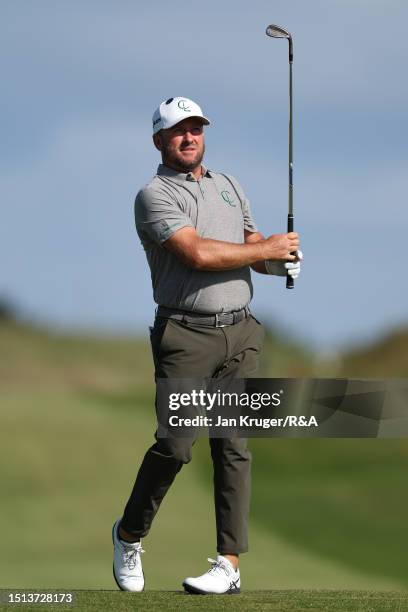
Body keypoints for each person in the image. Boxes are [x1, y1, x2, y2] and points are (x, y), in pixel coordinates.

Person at [112, 96, 302, 595]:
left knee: (234, 447)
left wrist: (278, 261)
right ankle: (129, 534)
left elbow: (251, 246)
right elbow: (196, 254)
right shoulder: (153, 195)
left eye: (196, 128)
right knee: (176, 447)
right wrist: (266, 249)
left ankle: (229, 565)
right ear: (159, 140)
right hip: (185, 335)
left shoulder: (229, 185)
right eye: (178, 130)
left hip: (241, 331)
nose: (189, 137)